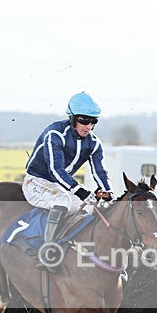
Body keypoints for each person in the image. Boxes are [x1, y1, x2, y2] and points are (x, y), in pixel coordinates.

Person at [23, 91, 114, 251]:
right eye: (84, 120)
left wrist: (107, 191)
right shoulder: (55, 133)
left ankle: (74, 248)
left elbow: (100, 172)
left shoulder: (94, 143)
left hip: (61, 186)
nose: (88, 126)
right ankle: (47, 248)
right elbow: (55, 170)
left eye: (93, 121)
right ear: (72, 118)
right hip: (36, 181)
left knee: (90, 207)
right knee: (63, 201)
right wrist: (79, 190)